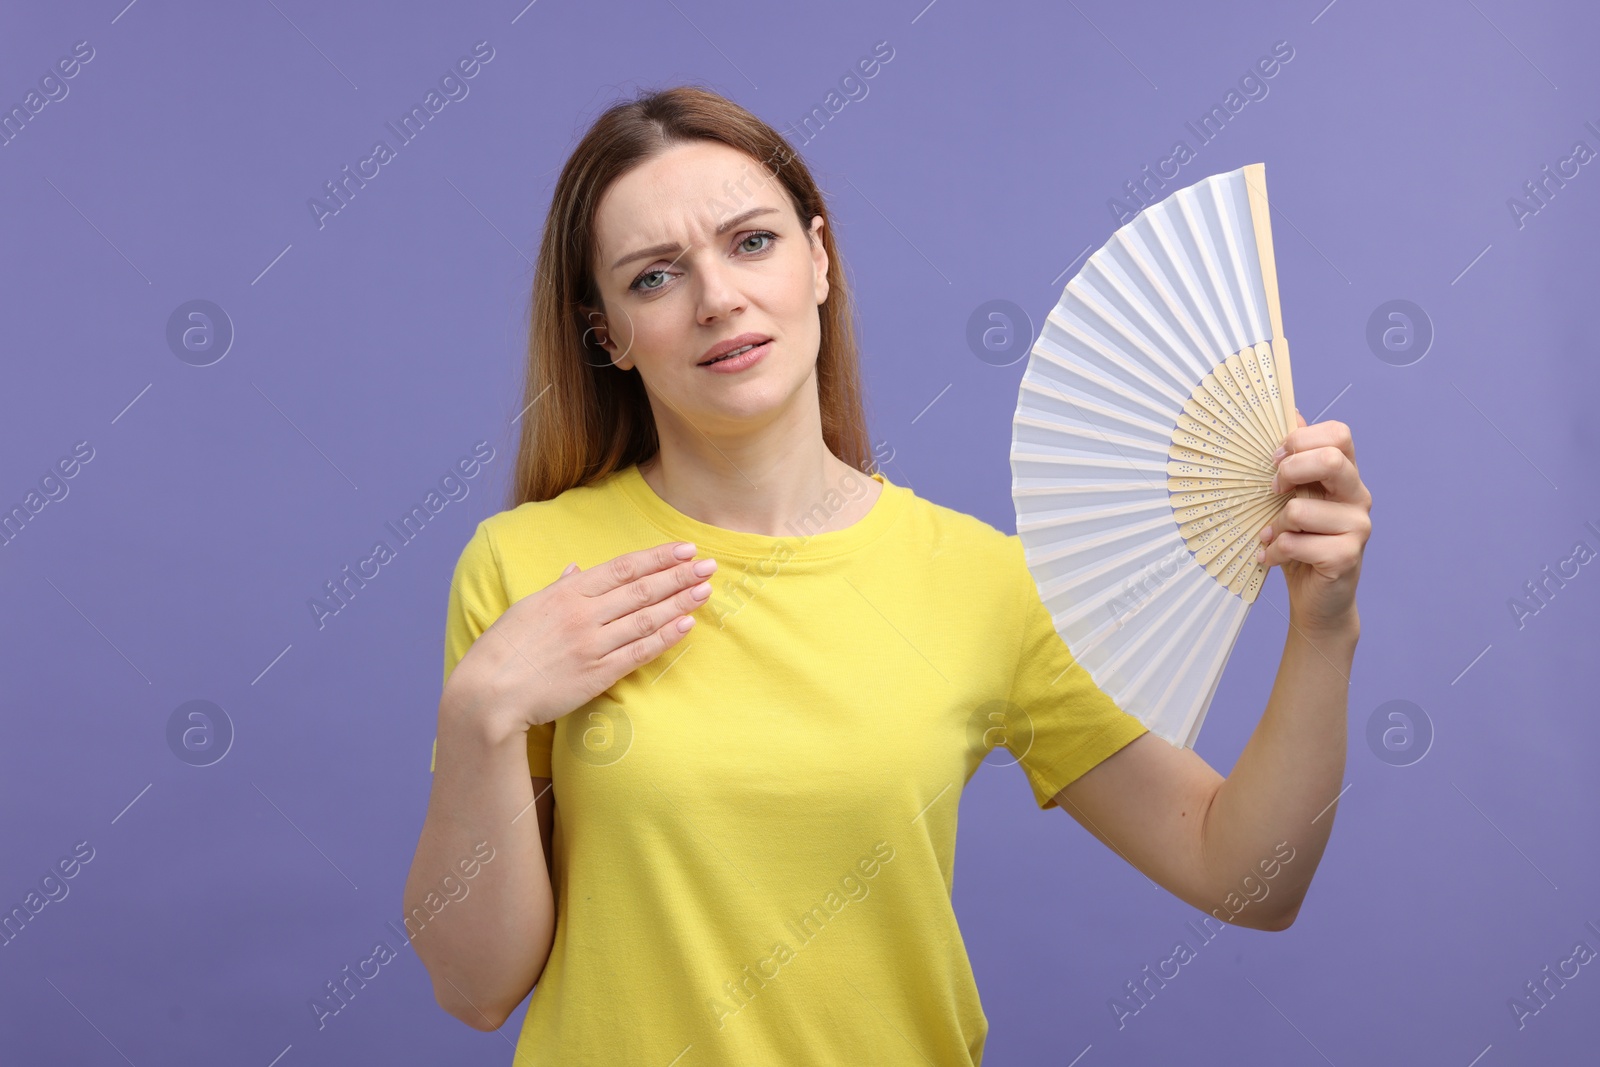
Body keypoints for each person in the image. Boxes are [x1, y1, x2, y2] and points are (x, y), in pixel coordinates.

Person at [401, 85, 1372, 1065]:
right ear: (606, 333)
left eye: (751, 242)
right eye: (654, 276)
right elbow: (475, 988)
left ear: (817, 257)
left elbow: (1249, 877)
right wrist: (480, 710)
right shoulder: (523, 565)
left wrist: (1321, 629)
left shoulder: (979, 581)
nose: (718, 298)